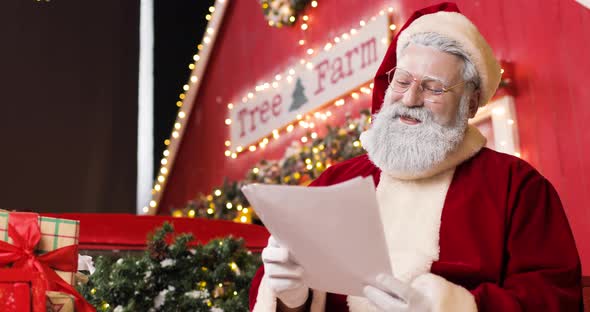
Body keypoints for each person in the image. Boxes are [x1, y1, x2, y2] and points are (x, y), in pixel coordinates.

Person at [249, 3, 582, 312]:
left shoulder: (517, 187)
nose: (410, 98)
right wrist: (293, 298)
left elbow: (554, 298)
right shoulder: (334, 180)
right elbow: (283, 279)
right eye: (403, 80)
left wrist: (453, 307)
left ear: (470, 102)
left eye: (433, 87)